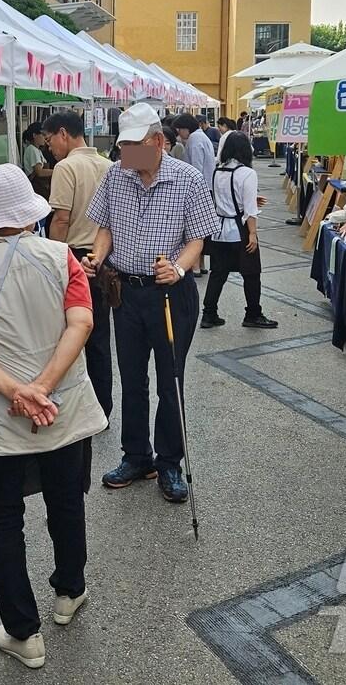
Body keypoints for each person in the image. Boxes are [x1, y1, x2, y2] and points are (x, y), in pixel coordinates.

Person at [0, 164, 105, 670]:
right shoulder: (63, 258)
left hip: (4, 417)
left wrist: (17, 390)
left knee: (2, 519)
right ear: (29, 211)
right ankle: (69, 591)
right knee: (66, 498)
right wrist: (43, 387)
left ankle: (23, 632)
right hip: (64, 408)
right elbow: (81, 322)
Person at [84, 102, 218, 503]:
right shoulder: (116, 175)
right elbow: (105, 227)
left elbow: (198, 238)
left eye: (134, 146)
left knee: (170, 379)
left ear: (158, 141)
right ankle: (137, 455)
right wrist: (97, 256)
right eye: (123, 146)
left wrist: (178, 268)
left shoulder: (187, 179)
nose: (126, 154)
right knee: (132, 378)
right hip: (126, 292)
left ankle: (169, 462)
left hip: (170, 295)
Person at [42, 110, 114, 419]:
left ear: (63, 134)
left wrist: (55, 258)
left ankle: (73, 407)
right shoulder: (109, 165)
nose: (49, 148)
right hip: (104, 258)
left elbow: (61, 218)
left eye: (49, 141)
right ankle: (102, 406)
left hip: (73, 256)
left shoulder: (66, 167)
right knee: (98, 336)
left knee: (67, 334)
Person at [201, 132, 277, 330]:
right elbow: (249, 211)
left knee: (218, 273)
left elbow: (221, 198)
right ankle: (253, 314)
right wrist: (252, 234)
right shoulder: (247, 173)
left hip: (219, 230)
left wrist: (250, 200)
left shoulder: (218, 171)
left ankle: (208, 314)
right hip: (239, 230)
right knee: (251, 274)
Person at [173, 113, 216, 276]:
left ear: (186, 128)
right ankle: (202, 265)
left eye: (179, 130)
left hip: (199, 189)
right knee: (201, 230)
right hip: (207, 187)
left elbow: (196, 167)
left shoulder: (194, 140)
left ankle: (196, 267)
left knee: (194, 230)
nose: (179, 134)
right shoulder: (201, 136)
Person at [21, 123, 52, 200]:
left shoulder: (37, 150)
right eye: (42, 135)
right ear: (34, 135)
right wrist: (57, 171)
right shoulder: (32, 149)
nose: (44, 138)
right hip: (37, 188)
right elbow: (39, 172)